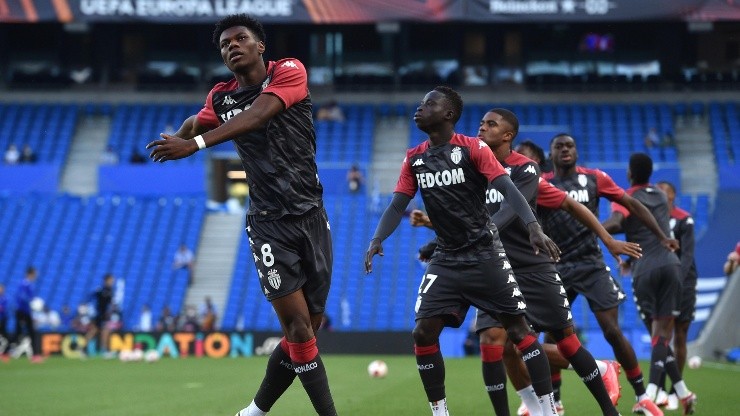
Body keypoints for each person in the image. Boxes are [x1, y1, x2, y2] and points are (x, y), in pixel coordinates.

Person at [145, 14, 337, 416]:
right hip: (268, 223)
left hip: (312, 215)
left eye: (240, 39)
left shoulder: (288, 72)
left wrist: (195, 144)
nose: (231, 46)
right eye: (224, 44)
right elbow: (198, 120)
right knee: (298, 329)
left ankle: (255, 410)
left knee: (308, 332)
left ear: (259, 45)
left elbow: (259, 115)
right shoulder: (221, 97)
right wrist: (177, 139)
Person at [411, 108, 640, 416]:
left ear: (508, 137)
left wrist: (607, 238)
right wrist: (435, 237)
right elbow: (465, 222)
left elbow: (571, 206)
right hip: (493, 269)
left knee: (565, 340)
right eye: (481, 123)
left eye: (490, 124)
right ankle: (529, 408)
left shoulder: (526, 172)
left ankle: (605, 392)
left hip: (533, 268)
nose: (482, 128)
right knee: (493, 342)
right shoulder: (469, 172)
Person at [365, 86, 562, 416]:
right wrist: (376, 238)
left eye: (429, 104)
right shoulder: (414, 158)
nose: (420, 107)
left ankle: (546, 408)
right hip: (446, 259)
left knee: (518, 332)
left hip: (485, 254)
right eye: (421, 101)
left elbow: (507, 188)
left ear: (448, 114)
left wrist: (533, 225)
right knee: (423, 331)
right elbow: (398, 203)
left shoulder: (474, 149)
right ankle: (440, 413)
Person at [540, 134, 680, 415]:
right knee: (551, 338)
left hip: (591, 264)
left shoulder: (595, 178)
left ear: (577, 151)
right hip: (556, 267)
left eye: (570, 145)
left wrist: (662, 235)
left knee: (613, 331)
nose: (566, 150)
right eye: (559, 146)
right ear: (551, 153)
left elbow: (632, 205)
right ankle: (554, 401)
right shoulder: (541, 182)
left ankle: (642, 395)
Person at [602, 153, 697, 415]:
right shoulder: (659, 195)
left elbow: (618, 222)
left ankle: (650, 396)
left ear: (630, 173)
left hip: (644, 270)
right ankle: (683, 393)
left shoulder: (626, 195)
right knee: (662, 337)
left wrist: (591, 225)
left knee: (659, 336)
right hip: (669, 264)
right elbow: (646, 226)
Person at [654, 180, 697, 410]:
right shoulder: (652, 221)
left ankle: (673, 391)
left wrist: (677, 280)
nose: (661, 197)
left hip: (683, 283)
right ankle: (659, 386)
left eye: (665, 194)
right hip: (660, 284)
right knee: (661, 335)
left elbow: (687, 256)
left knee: (679, 335)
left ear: (673, 197)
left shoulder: (684, 219)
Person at [13, 266, 43, 362]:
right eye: (35, 273)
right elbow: (22, 297)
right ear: (30, 273)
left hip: (26, 312)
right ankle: (7, 352)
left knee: (31, 332)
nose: (36, 275)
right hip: (22, 311)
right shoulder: (25, 284)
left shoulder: (29, 284)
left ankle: (35, 355)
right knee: (20, 332)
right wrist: (31, 302)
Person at [85, 273, 115, 356]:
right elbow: (92, 299)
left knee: (95, 331)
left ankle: (84, 349)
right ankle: (104, 350)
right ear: (106, 280)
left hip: (102, 314)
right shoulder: (102, 290)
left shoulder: (108, 290)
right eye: (111, 280)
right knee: (104, 331)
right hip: (100, 314)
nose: (112, 282)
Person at [0, 283, 8, 361]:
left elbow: (3, 309)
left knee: (4, 337)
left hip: (2, 320)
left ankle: (4, 353)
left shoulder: (4, 299)